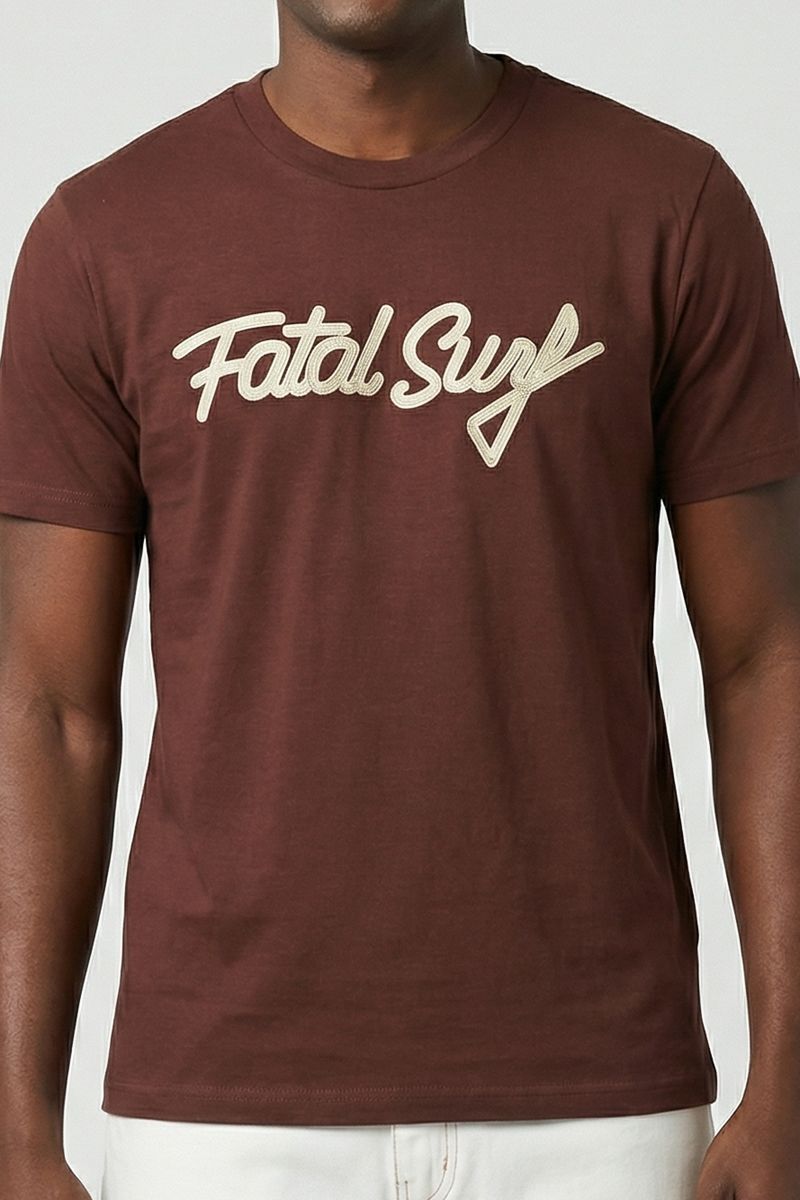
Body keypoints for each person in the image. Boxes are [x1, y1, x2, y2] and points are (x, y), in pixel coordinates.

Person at [1, 1, 799, 1197]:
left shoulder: (666, 204)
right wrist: (15, 1122)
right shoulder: (103, 235)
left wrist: (787, 1082)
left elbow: (765, 656)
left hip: (597, 1107)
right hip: (222, 1116)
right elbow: (47, 705)